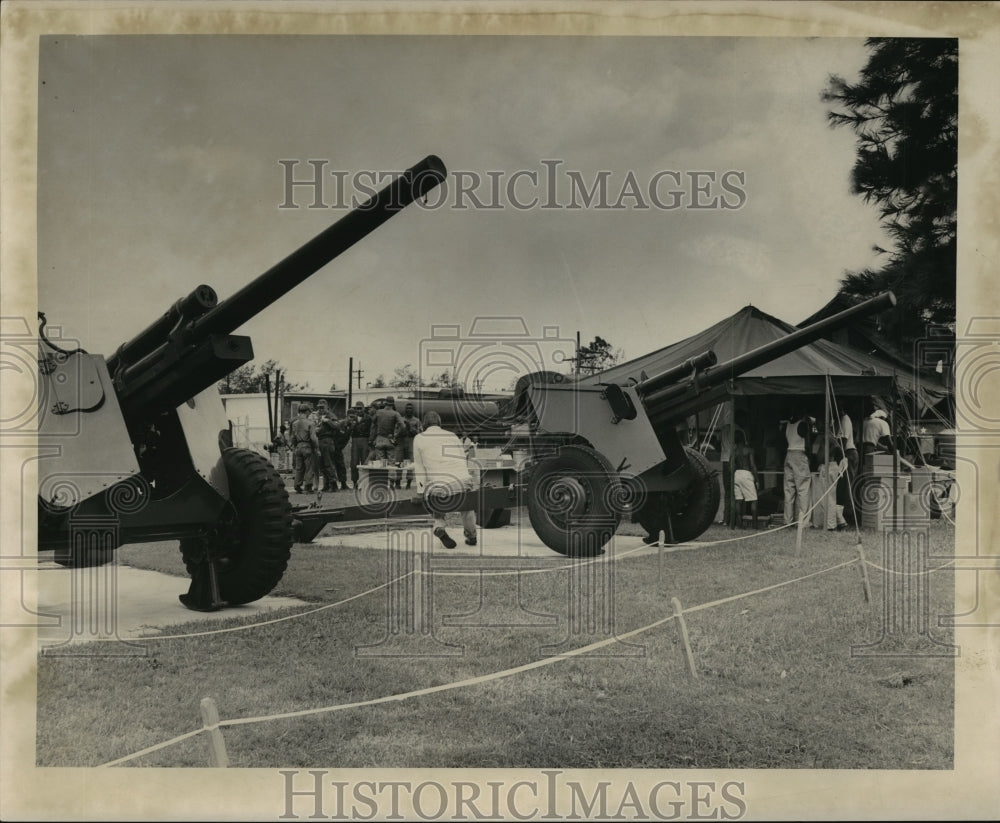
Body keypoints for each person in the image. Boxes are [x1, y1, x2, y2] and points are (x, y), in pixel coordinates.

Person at [412, 410, 477, 548]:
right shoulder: (452, 435)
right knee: (467, 507)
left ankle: (439, 526)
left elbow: (419, 467)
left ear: (424, 425)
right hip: (463, 481)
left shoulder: (419, 438)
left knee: (435, 496)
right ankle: (472, 536)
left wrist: (420, 492)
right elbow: (462, 460)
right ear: (440, 424)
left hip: (441, 487)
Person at [781, 409, 813, 526]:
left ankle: (788, 520)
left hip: (789, 453)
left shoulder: (788, 425)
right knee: (803, 489)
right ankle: (803, 522)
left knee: (789, 489)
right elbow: (808, 444)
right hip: (800, 454)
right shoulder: (803, 424)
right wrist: (809, 457)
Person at [369, 396, 405, 484]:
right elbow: (403, 426)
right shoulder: (395, 414)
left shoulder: (378, 412)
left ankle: (381, 480)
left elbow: (373, 426)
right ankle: (392, 481)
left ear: (385, 403)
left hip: (380, 439)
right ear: (393, 404)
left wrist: (371, 439)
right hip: (390, 439)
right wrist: (396, 435)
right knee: (391, 461)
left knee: (380, 461)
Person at [731, 430, 758, 529]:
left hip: (736, 474)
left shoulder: (734, 452)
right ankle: (755, 525)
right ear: (744, 438)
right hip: (746, 474)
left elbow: (732, 466)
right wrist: (757, 479)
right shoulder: (749, 450)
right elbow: (752, 465)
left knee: (738, 500)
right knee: (754, 500)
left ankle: (739, 524)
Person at [289, 402, 319, 493]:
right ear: (306, 411)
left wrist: (295, 447)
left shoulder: (295, 423)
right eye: (309, 412)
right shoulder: (310, 423)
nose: (309, 413)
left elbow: (293, 437)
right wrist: (316, 447)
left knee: (299, 467)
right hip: (307, 446)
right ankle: (308, 486)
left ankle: (297, 485)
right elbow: (313, 438)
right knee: (309, 467)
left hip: (298, 447)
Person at [314, 401, 343, 492]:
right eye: (319, 407)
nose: (320, 409)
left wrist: (328, 421)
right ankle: (326, 485)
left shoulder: (331, 415)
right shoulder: (317, 416)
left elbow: (337, 426)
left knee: (328, 463)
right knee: (322, 464)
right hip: (320, 440)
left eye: (322, 407)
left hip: (328, 440)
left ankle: (333, 484)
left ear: (327, 407)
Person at [837, 412, 859, 526]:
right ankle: (845, 514)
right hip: (847, 453)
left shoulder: (844, 419)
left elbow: (843, 441)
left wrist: (837, 457)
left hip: (848, 453)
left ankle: (850, 515)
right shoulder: (841, 420)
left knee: (848, 485)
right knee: (844, 485)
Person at [395, 402, 422, 489]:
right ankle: (398, 482)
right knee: (398, 462)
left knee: (411, 463)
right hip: (401, 442)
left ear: (413, 410)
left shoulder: (417, 421)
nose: (408, 410)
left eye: (410, 408)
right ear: (405, 410)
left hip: (411, 442)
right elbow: (395, 432)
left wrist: (410, 428)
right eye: (407, 408)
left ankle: (408, 483)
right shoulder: (400, 420)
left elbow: (420, 433)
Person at [348, 402, 369, 487]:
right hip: (355, 440)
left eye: (360, 408)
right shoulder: (352, 418)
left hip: (365, 440)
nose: (358, 410)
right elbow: (348, 430)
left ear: (364, 408)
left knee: (365, 462)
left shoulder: (368, 418)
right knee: (354, 463)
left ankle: (366, 482)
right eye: (357, 408)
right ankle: (355, 482)